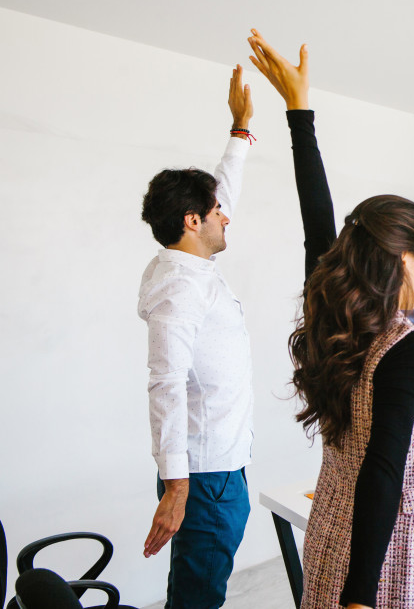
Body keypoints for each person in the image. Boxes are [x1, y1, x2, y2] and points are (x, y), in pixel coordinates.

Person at [246, 29, 414, 609]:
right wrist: (360, 599)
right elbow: (383, 469)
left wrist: (300, 113)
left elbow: (317, 221)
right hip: (399, 566)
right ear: (400, 261)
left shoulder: (337, 321)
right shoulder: (409, 348)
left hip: (331, 542)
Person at [137, 65, 255, 608]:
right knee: (197, 598)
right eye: (214, 213)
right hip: (205, 480)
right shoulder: (180, 290)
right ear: (191, 220)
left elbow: (222, 192)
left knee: (199, 589)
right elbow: (165, 384)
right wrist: (177, 487)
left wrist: (240, 130)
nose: (225, 218)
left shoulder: (190, 265)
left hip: (222, 470)